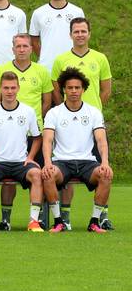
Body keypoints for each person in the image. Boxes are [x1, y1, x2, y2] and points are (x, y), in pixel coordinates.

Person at [51, 17, 112, 229]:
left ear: (89, 34)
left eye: (83, 31)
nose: (80, 35)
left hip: (92, 121)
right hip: (68, 120)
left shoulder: (100, 58)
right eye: (76, 31)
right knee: (66, 162)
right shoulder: (61, 60)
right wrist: (68, 111)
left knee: (103, 169)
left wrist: (92, 109)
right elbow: (56, 91)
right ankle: (65, 217)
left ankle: (102, 217)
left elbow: (106, 90)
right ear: (70, 35)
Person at [0, 34, 53, 230]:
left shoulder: (41, 71)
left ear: (31, 49)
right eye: (18, 46)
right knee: (8, 180)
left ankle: (39, 218)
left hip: (34, 134)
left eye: (25, 46)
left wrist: (31, 121)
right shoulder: (2, 70)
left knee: (39, 175)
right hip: (8, 132)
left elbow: (47, 101)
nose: (22, 49)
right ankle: (5, 220)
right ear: (13, 49)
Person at [41, 68, 112, 233]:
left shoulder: (93, 112)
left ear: (83, 89)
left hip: (87, 162)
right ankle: (58, 222)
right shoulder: (54, 113)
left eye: (77, 87)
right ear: (64, 90)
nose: (73, 91)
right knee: (48, 174)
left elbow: (101, 140)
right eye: (70, 87)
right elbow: (47, 140)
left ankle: (94, 222)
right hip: (62, 162)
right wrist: (47, 163)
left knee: (106, 175)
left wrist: (105, 162)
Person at [0, 71, 44, 232]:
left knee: (37, 174)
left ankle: (34, 222)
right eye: (6, 88)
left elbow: (37, 137)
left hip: (21, 162)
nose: (9, 91)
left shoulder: (28, 111)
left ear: (18, 88)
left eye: (13, 88)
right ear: (0, 88)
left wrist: (30, 157)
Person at [29, 0, 84, 71]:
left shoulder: (77, 12)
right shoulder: (38, 13)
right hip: (47, 67)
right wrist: (44, 56)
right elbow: (33, 41)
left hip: (72, 66)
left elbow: (83, 39)